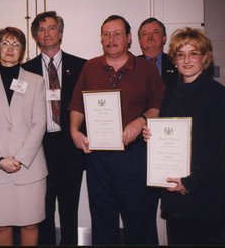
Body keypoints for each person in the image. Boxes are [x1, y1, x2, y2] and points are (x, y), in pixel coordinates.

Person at [69, 15, 165, 245]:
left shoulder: (146, 69)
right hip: (98, 159)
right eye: (106, 34)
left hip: (136, 157)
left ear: (129, 38)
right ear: (101, 38)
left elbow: (158, 106)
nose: (111, 39)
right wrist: (74, 130)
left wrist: (141, 120)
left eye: (117, 34)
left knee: (139, 222)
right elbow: (77, 105)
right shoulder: (90, 67)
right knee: (103, 223)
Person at [143, 27, 225, 245]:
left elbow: (217, 148)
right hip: (175, 194)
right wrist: (151, 135)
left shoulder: (218, 94)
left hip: (205, 194)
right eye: (180, 54)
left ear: (205, 57)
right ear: (174, 59)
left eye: (194, 53)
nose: (187, 60)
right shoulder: (170, 94)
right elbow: (167, 134)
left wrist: (190, 183)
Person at [0, 27, 47, 246]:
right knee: (1, 224)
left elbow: (39, 123)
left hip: (29, 167)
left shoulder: (36, 82)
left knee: (30, 224)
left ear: (22, 51)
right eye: (5, 43)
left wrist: (21, 158)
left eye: (16, 45)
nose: (10, 49)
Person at [22, 11, 87, 245]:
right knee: (43, 206)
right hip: (40, 147)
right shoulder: (25, 70)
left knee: (70, 205)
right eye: (40, 29)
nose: (46, 33)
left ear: (60, 32)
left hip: (71, 145)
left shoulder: (81, 66)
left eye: (51, 28)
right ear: (35, 37)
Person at [138, 17, 178, 89]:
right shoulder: (131, 65)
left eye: (155, 32)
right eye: (145, 33)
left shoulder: (176, 62)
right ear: (140, 41)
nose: (150, 36)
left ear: (164, 38)